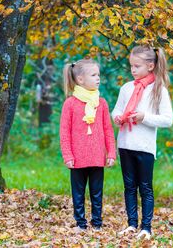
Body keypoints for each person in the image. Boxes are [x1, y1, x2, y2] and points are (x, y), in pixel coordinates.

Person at [112, 45, 173, 239]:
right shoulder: (126, 88)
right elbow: (116, 109)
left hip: (145, 147)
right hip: (125, 145)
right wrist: (117, 117)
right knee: (129, 187)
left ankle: (146, 228)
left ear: (150, 65)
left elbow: (167, 120)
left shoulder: (159, 90)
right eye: (131, 66)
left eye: (137, 66)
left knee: (145, 187)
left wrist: (144, 117)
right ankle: (131, 224)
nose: (133, 70)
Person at [60, 58, 116, 232]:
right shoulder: (70, 103)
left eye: (98, 74)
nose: (98, 78)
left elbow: (108, 130)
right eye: (94, 75)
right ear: (80, 80)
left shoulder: (102, 103)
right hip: (77, 159)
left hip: (98, 157)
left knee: (96, 193)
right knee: (78, 194)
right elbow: (64, 132)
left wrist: (111, 153)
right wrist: (68, 155)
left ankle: (97, 223)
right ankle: (81, 224)